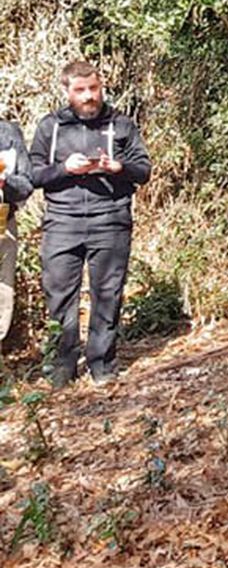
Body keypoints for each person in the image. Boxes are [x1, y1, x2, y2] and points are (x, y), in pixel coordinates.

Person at [28, 61, 151, 386]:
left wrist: (118, 166)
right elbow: (32, 175)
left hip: (110, 219)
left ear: (101, 87)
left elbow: (144, 170)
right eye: (80, 91)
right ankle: (62, 369)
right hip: (62, 222)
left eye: (93, 89)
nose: (88, 97)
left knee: (107, 294)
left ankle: (102, 366)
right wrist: (65, 168)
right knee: (59, 296)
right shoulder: (50, 127)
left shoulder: (121, 124)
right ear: (66, 91)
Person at [1, 117, 34, 345]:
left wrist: (6, 183)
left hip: (3, 219)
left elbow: (27, 184)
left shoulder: (9, 132)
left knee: (3, 288)